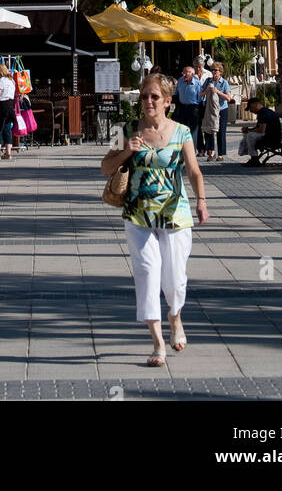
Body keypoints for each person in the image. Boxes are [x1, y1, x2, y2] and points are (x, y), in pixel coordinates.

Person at [101, 73, 208, 366]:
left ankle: (175, 317)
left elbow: (194, 170)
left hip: (175, 212)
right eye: (144, 96)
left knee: (174, 278)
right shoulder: (122, 129)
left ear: (167, 102)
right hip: (138, 213)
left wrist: (201, 200)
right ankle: (158, 343)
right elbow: (104, 167)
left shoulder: (183, 131)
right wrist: (126, 151)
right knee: (147, 273)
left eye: (154, 97)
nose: (148, 101)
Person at [201, 61, 232, 159]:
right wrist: (207, 91)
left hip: (222, 109)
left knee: (221, 131)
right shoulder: (208, 81)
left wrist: (217, 92)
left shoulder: (224, 82)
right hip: (210, 109)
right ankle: (211, 152)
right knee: (209, 130)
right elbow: (200, 94)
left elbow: (228, 98)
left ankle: (221, 154)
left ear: (220, 72)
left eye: (216, 70)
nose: (214, 72)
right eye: (212, 70)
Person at [241, 97, 282, 164]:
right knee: (248, 134)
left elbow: (261, 130)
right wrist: (249, 129)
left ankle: (254, 158)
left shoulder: (264, 113)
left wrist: (249, 131)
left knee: (250, 136)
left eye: (251, 108)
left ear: (256, 104)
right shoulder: (264, 112)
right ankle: (251, 155)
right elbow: (260, 128)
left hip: (272, 139)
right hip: (273, 136)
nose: (251, 111)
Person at [172, 65, 201, 147]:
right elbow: (176, 93)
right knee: (182, 129)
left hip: (193, 108)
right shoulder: (180, 80)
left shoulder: (197, 83)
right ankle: (183, 150)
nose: (183, 75)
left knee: (193, 131)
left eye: (186, 73)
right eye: (183, 73)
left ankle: (192, 149)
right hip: (182, 107)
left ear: (192, 74)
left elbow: (201, 97)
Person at [192, 57, 211, 156]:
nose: (198, 69)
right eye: (196, 67)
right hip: (196, 102)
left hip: (206, 102)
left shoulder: (208, 74)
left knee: (207, 125)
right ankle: (201, 149)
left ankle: (208, 147)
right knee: (197, 126)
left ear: (203, 66)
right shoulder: (191, 74)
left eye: (199, 67)